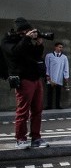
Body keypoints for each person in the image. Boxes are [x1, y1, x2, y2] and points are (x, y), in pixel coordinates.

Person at [1, 18, 48, 149]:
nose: (29, 32)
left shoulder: (25, 42)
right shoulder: (7, 40)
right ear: (20, 31)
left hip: (35, 78)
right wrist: (26, 39)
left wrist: (39, 45)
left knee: (37, 110)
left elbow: (35, 57)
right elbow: (15, 52)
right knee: (23, 111)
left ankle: (36, 138)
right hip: (23, 79)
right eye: (26, 30)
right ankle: (20, 139)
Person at [44, 42, 70, 110]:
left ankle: (57, 105)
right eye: (59, 47)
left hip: (59, 77)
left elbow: (66, 67)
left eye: (61, 47)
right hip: (51, 77)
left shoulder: (64, 57)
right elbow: (47, 66)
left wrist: (66, 77)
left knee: (58, 92)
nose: (60, 48)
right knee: (49, 92)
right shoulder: (49, 56)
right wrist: (47, 75)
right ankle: (49, 105)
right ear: (55, 47)